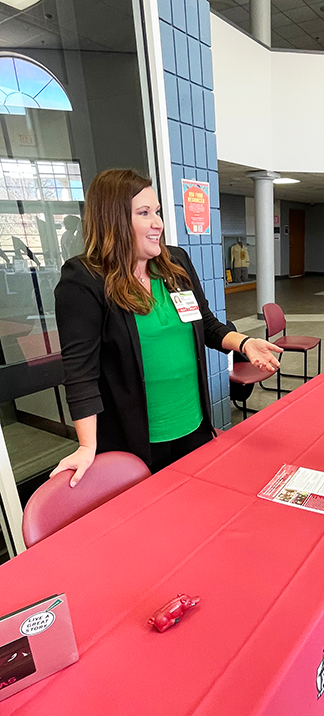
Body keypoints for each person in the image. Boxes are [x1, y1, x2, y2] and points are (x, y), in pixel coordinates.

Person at [51, 169, 281, 485]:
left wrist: (244, 343)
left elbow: (207, 325)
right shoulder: (84, 281)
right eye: (144, 213)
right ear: (113, 220)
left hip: (194, 428)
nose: (157, 222)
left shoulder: (175, 263)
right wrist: (87, 446)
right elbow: (80, 374)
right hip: (137, 443)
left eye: (157, 211)